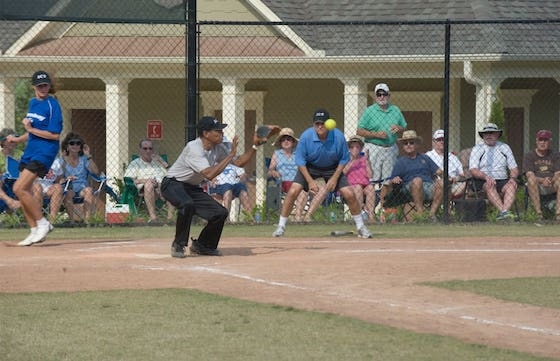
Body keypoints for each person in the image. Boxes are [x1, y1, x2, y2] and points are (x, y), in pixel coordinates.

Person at [161, 116, 279, 258]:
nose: (221, 134)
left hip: (191, 187)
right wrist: (230, 156)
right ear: (206, 133)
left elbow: (240, 162)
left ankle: (203, 245)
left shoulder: (219, 146)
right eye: (217, 131)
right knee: (187, 204)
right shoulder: (194, 148)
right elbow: (209, 174)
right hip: (172, 184)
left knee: (220, 212)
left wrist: (255, 146)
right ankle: (179, 245)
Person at [272, 109, 373, 238]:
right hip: (310, 166)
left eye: (323, 123)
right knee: (293, 191)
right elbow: (300, 162)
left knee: (349, 193)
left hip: (332, 167)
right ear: (314, 125)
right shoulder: (306, 137)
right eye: (317, 123)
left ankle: (361, 227)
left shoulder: (338, 136)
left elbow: (343, 159)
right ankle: (281, 227)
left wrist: (334, 179)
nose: (320, 126)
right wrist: (310, 181)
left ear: (328, 123)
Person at [8, 70, 63, 246]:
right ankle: (33, 230)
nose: (42, 88)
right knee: (25, 192)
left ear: (49, 86)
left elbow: (54, 135)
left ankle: (43, 223)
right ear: (34, 87)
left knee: (19, 188)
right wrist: (17, 140)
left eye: (45, 85)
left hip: (44, 152)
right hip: (30, 151)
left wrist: (31, 130)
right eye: (39, 85)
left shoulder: (52, 104)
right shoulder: (32, 103)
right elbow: (31, 132)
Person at [356, 83, 407, 213]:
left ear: (389, 95)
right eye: (379, 94)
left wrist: (399, 128)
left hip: (390, 148)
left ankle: (383, 209)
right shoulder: (370, 111)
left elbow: (404, 126)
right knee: (371, 180)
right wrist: (375, 134)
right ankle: (369, 211)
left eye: (384, 94)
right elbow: (359, 131)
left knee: (388, 181)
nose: (382, 96)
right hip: (374, 147)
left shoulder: (395, 110)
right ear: (375, 96)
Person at [389, 130, 443, 221]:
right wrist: (395, 178)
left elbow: (439, 171)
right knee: (417, 180)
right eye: (405, 143)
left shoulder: (425, 158)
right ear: (403, 146)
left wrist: (447, 177)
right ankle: (420, 214)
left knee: (442, 182)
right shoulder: (400, 162)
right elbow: (392, 179)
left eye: (411, 142)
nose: (408, 145)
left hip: (428, 186)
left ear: (417, 144)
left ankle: (431, 215)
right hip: (409, 189)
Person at [469, 123, 519, 220]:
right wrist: (486, 177)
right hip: (483, 180)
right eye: (486, 133)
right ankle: (504, 212)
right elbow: (473, 170)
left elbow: (514, 168)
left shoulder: (505, 147)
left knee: (512, 185)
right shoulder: (478, 148)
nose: (488, 135)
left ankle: (503, 213)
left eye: (491, 133)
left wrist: (512, 178)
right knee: (490, 185)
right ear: (483, 135)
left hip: (503, 179)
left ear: (497, 135)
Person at [124, 139, 175, 222]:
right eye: (145, 148)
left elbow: (172, 175)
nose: (148, 151)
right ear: (140, 150)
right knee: (149, 185)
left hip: (161, 186)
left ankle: (170, 219)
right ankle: (153, 218)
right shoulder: (135, 163)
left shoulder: (158, 162)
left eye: (150, 149)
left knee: (171, 185)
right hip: (145, 190)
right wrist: (147, 180)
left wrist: (163, 162)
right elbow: (130, 180)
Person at [267, 127, 308, 222]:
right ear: (280, 143)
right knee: (301, 190)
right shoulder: (277, 154)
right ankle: (297, 217)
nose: (286, 141)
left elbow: (304, 167)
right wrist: (274, 172)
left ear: (293, 142)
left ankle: (297, 217)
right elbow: (270, 170)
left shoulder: (298, 153)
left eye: (288, 139)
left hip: (297, 181)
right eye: (283, 139)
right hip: (283, 182)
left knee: (304, 191)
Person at [58, 132, 99, 222]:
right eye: (72, 143)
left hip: (82, 187)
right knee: (67, 194)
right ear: (67, 146)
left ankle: (87, 221)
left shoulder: (84, 159)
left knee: (88, 191)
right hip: (68, 187)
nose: (75, 145)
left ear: (81, 146)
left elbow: (95, 172)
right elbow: (59, 177)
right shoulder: (62, 160)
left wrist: (88, 155)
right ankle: (72, 221)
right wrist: (66, 178)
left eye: (78, 143)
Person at [522, 129, 560, 222]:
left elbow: (558, 172)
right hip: (536, 185)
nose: (542, 142)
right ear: (536, 141)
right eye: (540, 140)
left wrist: (551, 180)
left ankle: (558, 215)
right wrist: (542, 180)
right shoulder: (529, 156)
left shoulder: (555, 155)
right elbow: (529, 174)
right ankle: (539, 214)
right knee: (531, 179)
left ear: (549, 142)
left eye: (545, 140)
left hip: (552, 184)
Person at [425, 129, 466, 199]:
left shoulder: (453, 157)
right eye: (439, 140)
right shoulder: (428, 156)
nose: (442, 142)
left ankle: (446, 203)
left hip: (454, 184)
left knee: (466, 184)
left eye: (443, 139)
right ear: (434, 142)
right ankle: (446, 205)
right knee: (442, 184)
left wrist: (457, 178)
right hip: (435, 184)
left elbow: (462, 174)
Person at [343, 136, 375, 223]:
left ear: (361, 148)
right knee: (358, 187)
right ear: (349, 148)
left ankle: (371, 216)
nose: (355, 149)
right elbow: (343, 172)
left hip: (364, 185)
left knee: (371, 188)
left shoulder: (364, 160)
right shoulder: (345, 159)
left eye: (357, 147)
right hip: (350, 186)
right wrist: (352, 160)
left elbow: (370, 175)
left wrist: (367, 161)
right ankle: (359, 214)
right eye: (352, 147)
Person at [0, 128, 22, 213]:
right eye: (11, 140)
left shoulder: (20, 154)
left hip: (19, 182)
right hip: (4, 184)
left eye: (15, 139)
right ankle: (10, 201)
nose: (14, 142)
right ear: (3, 142)